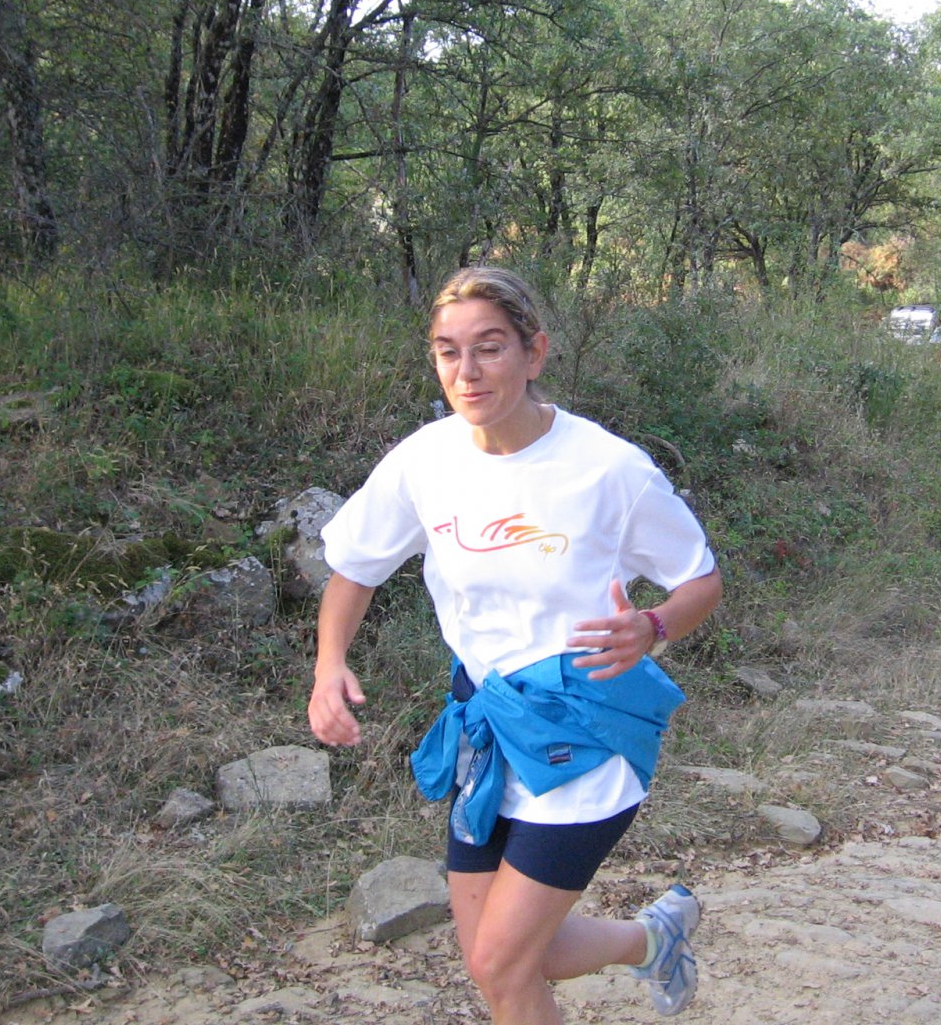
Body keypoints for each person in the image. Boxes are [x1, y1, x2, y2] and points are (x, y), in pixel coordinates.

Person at [308, 266, 723, 1024]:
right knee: (495, 963)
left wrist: (654, 626)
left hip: (585, 731)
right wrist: (328, 666)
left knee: (503, 960)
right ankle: (651, 938)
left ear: (534, 353)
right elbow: (354, 568)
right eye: (448, 351)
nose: (467, 371)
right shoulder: (425, 461)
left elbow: (699, 579)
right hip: (485, 729)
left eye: (490, 347)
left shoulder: (608, 469)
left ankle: (650, 939)